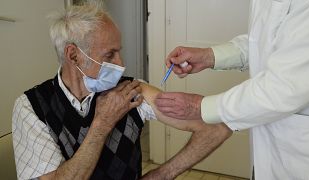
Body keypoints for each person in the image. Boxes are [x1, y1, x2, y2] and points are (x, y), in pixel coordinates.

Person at [12, 3, 232, 180]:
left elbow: (217, 128)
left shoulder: (131, 91)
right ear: (73, 56)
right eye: (110, 55)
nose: (121, 63)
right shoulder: (31, 107)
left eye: (120, 52)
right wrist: (102, 124)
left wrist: (163, 173)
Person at [154, 0, 309, 179]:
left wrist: (198, 107)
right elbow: (261, 42)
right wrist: (209, 56)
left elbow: (285, 87)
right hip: (270, 148)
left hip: (305, 155)